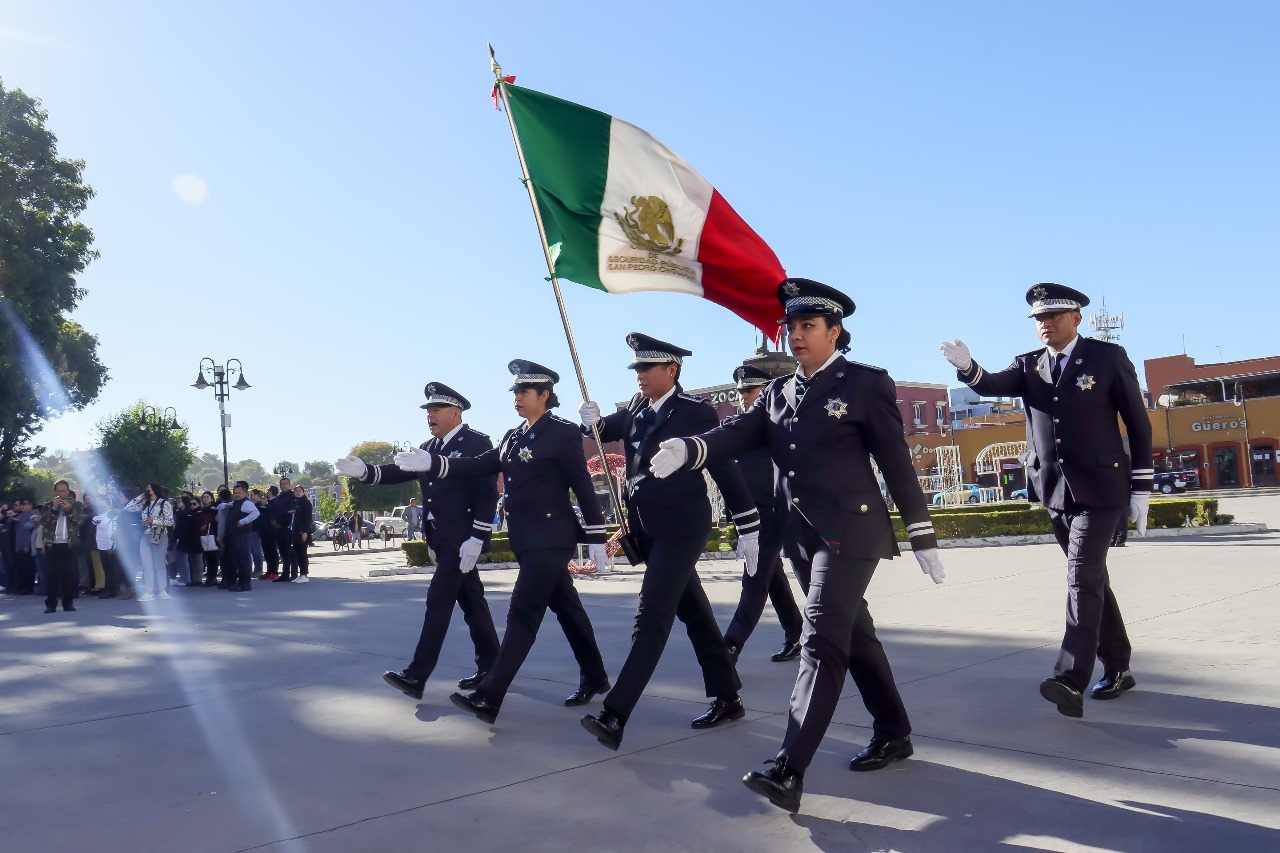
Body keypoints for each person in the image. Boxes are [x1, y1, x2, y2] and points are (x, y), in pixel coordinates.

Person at [650, 278, 947, 812]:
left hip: (851, 533)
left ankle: (789, 767)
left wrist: (920, 531)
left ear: (835, 331)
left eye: (809, 326)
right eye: (791, 327)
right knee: (855, 636)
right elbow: (737, 431)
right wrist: (691, 448)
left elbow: (895, 460)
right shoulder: (778, 392)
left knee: (819, 640)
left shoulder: (864, 383)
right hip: (802, 536)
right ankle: (894, 730)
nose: (797, 335)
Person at [940, 282, 1152, 718]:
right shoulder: (1028, 364)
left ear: (1076, 317)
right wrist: (969, 368)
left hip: (1101, 489)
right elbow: (992, 384)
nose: (1045, 323)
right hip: (1054, 490)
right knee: (1092, 580)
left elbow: (1138, 421)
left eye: (1053, 315)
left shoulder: (1107, 358)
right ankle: (1118, 666)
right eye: (1039, 318)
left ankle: (1069, 677)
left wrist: (1142, 486)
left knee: (1080, 576)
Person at [393, 361, 610, 724]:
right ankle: (595, 675)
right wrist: (434, 462)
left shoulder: (562, 432)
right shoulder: (513, 436)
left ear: (545, 395)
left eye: (524, 392)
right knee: (567, 608)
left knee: (522, 613)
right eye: (515, 392)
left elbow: (582, 485)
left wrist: (597, 535)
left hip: (551, 537)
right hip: (527, 540)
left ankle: (489, 695)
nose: (517, 398)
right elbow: (479, 464)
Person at [575, 334, 761, 751]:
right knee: (695, 614)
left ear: (671, 370)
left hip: (682, 527)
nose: (639, 375)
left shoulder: (696, 412)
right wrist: (591, 420)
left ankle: (615, 713)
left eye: (646, 368)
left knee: (652, 616)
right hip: (649, 530)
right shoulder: (636, 409)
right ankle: (728, 697)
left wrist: (748, 524)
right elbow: (602, 431)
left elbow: (724, 467)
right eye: (636, 369)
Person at [337, 382, 502, 700]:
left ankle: (417, 675)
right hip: (441, 538)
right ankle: (492, 666)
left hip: (462, 539)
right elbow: (398, 471)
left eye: (437, 409)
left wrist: (478, 537)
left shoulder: (476, 443)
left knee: (438, 600)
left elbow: (487, 493)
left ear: (456, 413)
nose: (430, 415)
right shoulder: (429, 447)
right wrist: (366, 472)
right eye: (428, 410)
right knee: (472, 602)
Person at [720, 363, 804, 664]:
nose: (743, 395)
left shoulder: (780, 426)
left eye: (750, 389)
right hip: (744, 515)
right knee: (773, 577)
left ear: (767, 392)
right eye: (740, 391)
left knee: (755, 577)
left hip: (771, 513)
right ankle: (795, 633)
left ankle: (730, 646)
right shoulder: (735, 425)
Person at [123, 483, 174, 602]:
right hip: (146, 535)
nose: (147, 490)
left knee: (159, 564)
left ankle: (162, 590)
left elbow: (170, 521)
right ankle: (149, 591)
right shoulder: (144, 503)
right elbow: (128, 508)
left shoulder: (164, 503)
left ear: (155, 490)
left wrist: (154, 520)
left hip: (159, 534)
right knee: (147, 564)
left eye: (149, 488)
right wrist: (141, 497)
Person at [39, 480, 84, 613]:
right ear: (54, 492)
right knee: (51, 575)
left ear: (68, 491)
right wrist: (54, 509)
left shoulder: (76, 505)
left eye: (64, 491)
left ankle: (68, 604)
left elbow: (80, 521)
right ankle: (51, 605)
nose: (61, 493)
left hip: (69, 544)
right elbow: (44, 521)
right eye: (59, 491)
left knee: (68, 575)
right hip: (52, 544)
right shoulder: (48, 505)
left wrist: (69, 510)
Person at [218, 481, 260, 592]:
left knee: (243, 560)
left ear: (244, 493)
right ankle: (238, 582)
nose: (237, 494)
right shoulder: (236, 502)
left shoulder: (246, 503)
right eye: (235, 493)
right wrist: (227, 505)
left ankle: (245, 583)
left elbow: (256, 513)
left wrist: (243, 521)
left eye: (239, 492)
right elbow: (220, 506)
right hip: (234, 536)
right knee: (237, 560)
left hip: (242, 536)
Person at [288, 485, 312, 582]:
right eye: (296, 491)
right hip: (294, 531)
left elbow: (308, 519)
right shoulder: (294, 502)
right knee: (297, 553)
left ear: (303, 492)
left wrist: (305, 532)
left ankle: (304, 574)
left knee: (302, 553)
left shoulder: (306, 503)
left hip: (302, 532)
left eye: (300, 491)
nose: (298, 492)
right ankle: (300, 574)